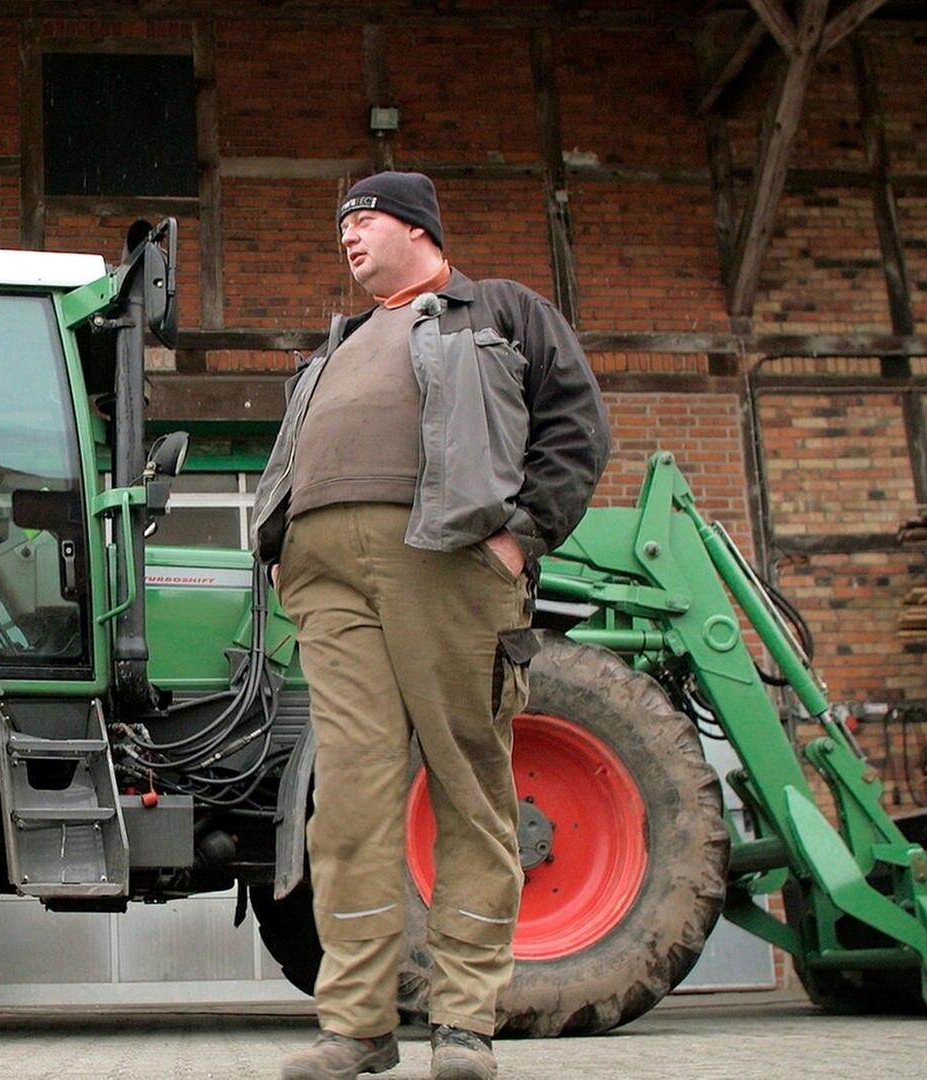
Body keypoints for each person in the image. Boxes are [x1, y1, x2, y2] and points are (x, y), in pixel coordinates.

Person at [253, 172, 609, 1080]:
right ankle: (357, 1026)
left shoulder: (497, 310)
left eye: (362, 218)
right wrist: (284, 539)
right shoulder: (339, 341)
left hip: (446, 559)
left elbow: (576, 425)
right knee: (350, 803)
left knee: (467, 784)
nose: (347, 236)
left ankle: (463, 1024)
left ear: (418, 226)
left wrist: (519, 539)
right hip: (327, 578)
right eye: (342, 224)